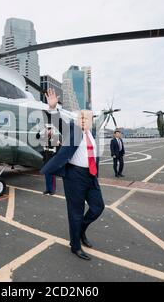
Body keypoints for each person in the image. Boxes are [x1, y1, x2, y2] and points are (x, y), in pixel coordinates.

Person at [41, 88, 105, 261]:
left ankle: (81, 230)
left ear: (92, 120)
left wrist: (95, 174)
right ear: (77, 119)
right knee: (75, 213)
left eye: (87, 117)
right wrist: (53, 108)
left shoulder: (93, 134)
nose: (84, 120)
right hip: (74, 176)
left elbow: (93, 156)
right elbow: (58, 123)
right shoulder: (73, 129)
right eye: (81, 117)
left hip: (90, 176)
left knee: (98, 207)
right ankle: (75, 245)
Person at [37, 124, 61, 196]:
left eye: (49, 129)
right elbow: (37, 136)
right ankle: (48, 189)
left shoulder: (55, 137)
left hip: (52, 157)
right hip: (46, 157)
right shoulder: (45, 137)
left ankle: (52, 190)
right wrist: (42, 131)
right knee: (47, 174)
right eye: (47, 129)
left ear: (52, 129)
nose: (48, 130)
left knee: (52, 175)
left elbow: (59, 148)